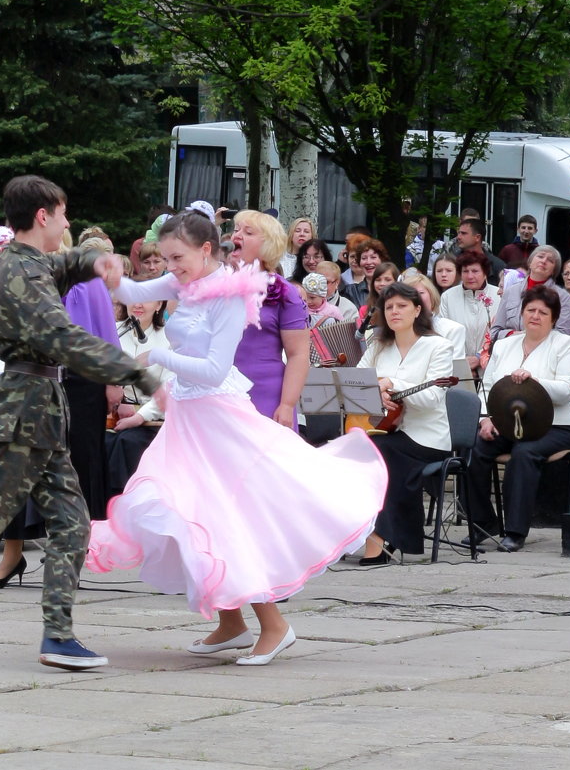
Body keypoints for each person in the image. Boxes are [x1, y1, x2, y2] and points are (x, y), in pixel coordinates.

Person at [88, 212, 385, 665]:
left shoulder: (229, 295)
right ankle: (231, 621)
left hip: (218, 416)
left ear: (206, 250)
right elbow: (133, 292)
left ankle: (274, 624)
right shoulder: (184, 281)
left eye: (178, 257)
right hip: (189, 416)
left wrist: (156, 355)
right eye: (165, 258)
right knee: (193, 512)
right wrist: (111, 273)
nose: (171, 266)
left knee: (230, 513)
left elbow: (214, 367)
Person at [0, 175, 157, 671]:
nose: (66, 223)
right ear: (43, 216)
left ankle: (57, 636)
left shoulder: (33, 264)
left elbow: (64, 263)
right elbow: (61, 335)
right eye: (62, 214)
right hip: (20, 414)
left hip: (43, 411)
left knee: (72, 524)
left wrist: (92, 260)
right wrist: (138, 376)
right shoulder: (16, 272)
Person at [463, 285, 570, 553]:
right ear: (522, 314)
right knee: (473, 448)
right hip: (510, 423)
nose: (535, 316)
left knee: (524, 452)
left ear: (553, 318)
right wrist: (486, 419)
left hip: (560, 425)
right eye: (530, 310)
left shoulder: (567, 345)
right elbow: (487, 387)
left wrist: (535, 382)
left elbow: (567, 390)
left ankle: (515, 531)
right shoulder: (504, 345)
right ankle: (484, 522)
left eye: (543, 312)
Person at [355, 282, 454, 563]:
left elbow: (433, 397)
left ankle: (381, 538)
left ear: (417, 310)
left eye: (401, 306)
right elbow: (358, 385)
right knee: (355, 449)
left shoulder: (438, 346)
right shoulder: (377, 346)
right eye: (388, 307)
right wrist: (377, 395)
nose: (394, 312)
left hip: (427, 437)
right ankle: (355, 533)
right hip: (385, 429)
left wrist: (392, 384)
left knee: (381, 451)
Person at [228, 210, 308, 429]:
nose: (237, 235)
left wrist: (287, 404)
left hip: (265, 395)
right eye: (236, 229)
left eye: (248, 231)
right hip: (221, 394)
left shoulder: (284, 292)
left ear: (267, 244)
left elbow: (298, 354)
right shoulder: (218, 284)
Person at [105, 296, 171, 498]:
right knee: (101, 443)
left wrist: (139, 415)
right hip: (111, 416)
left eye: (146, 299)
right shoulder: (111, 331)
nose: (138, 304)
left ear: (159, 304)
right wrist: (119, 402)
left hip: (150, 419)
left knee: (129, 443)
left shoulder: (169, 337)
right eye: (133, 298)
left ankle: (124, 505)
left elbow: (170, 386)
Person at [489, 245, 570, 343]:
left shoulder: (562, 297)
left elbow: (563, 334)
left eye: (550, 260)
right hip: (510, 350)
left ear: (554, 271)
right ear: (530, 262)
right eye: (540, 256)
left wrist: (532, 339)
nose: (543, 261)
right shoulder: (511, 291)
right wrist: (512, 334)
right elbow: (494, 332)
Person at [439, 249, 501, 375]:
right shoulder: (448, 297)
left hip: (490, 365)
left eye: (475, 271)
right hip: (456, 366)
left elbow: (501, 334)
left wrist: (479, 358)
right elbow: (443, 334)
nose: (470, 276)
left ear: (485, 273)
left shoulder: (499, 296)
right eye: (465, 271)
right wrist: (462, 363)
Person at [405, 272, 466, 360]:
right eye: (410, 293)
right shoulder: (396, 331)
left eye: (421, 293)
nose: (415, 297)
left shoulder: (452, 330)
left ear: (431, 296)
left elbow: (455, 369)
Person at [450, 217, 506, 283]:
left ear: (477, 237)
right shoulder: (451, 261)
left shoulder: (497, 266)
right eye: (458, 233)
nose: (458, 237)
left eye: (463, 233)